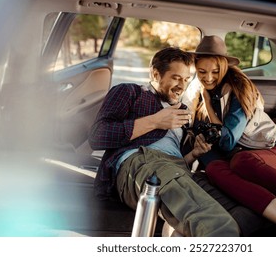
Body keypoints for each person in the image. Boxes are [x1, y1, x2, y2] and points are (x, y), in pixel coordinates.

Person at [88, 46, 240, 237]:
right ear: (155, 73)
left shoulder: (184, 111)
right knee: (218, 227)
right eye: (176, 78)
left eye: (186, 80)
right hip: (142, 163)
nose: (182, 86)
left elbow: (177, 160)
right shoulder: (130, 92)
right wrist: (155, 121)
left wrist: (195, 153)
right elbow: (97, 136)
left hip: (179, 170)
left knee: (243, 215)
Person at [184, 35, 276, 237]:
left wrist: (208, 103)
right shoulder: (196, 98)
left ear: (224, 67)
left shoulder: (239, 91)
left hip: (270, 156)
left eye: (215, 71)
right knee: (215, 168)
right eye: (202, 72)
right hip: (234, 162)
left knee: (242, 161)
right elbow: (214, 154)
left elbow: (226, 142)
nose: (208, 78)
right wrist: (200, 148)